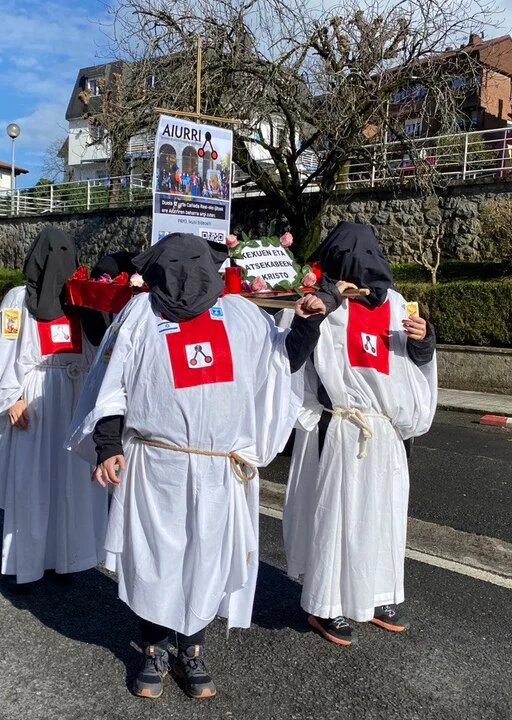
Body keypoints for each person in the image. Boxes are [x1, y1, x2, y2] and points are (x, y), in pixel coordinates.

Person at [66, 233, 327, 700]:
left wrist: (306, 325)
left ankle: (192, 648)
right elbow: (111, 383)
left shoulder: (241, 314)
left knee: (204, 558)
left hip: (217, 469)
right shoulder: (140, 314)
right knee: (155, 558)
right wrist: (107, 445)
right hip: (156, 465)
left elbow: (280, 361)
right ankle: (153, 648)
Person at [279, 222, 437, 647]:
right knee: (335, 519)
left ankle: (378, 595)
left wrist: (424, 340)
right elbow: (291, 357)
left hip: (382, 431)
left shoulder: (397, 303)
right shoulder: (319, 300)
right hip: (339, 427)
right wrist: (321, 306)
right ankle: (325, 604)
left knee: (382, 517)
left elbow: (413, 365)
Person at [0, 226, 108, 588]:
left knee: (71, 482)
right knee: (32, 482)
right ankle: (28, 564)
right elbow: (3, 347)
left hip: (75, 396)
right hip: (34, 400)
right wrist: (9, 399)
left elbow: (99, 349)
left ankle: (66, 560)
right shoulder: (18, 300)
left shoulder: (82, 297)